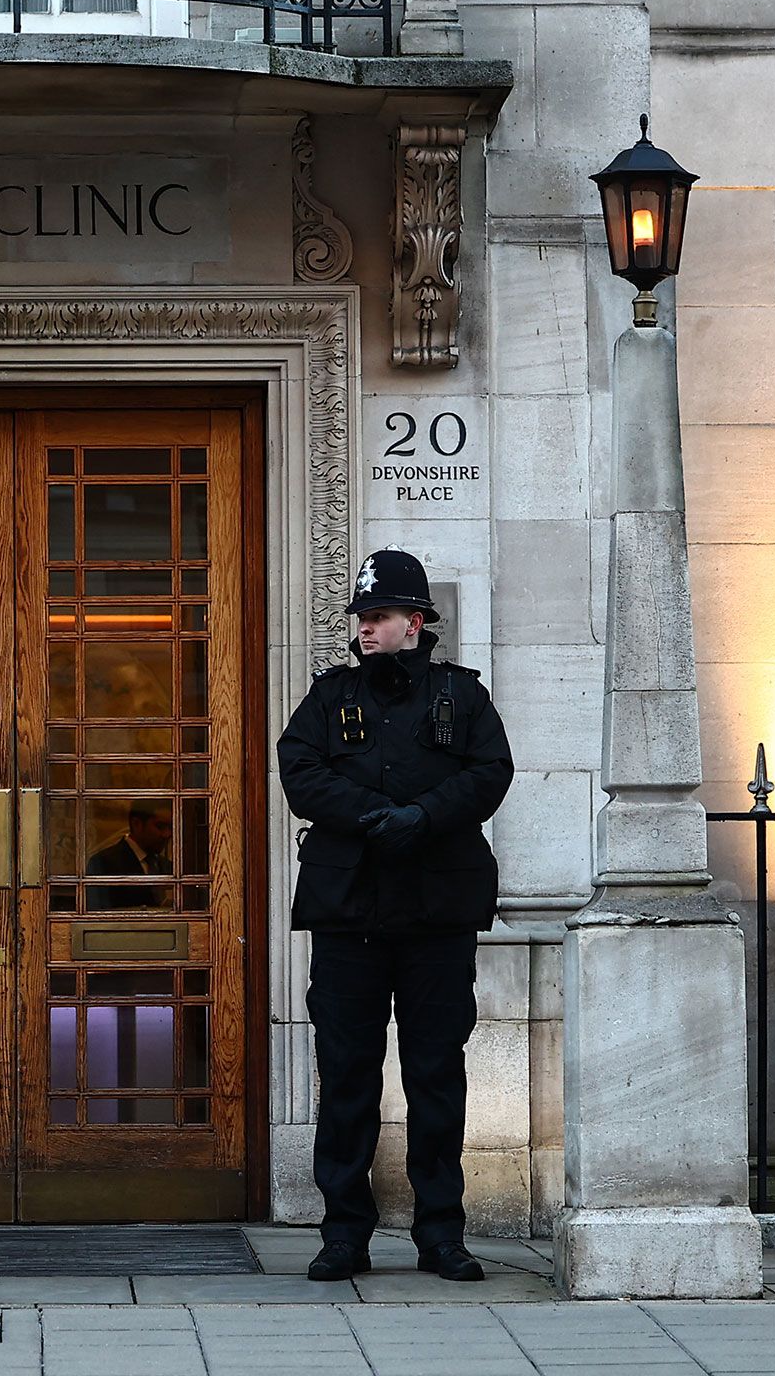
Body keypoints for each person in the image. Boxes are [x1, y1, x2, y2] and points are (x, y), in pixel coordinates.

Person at [277, 549, 514, 1283]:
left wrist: (422, 817)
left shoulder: (462, 697)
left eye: (378, 617)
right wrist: (376, 814)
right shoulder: (330, 696)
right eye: (363, 618)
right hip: (350, 917)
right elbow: (299, 768)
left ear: (415, 623)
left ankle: (441, 1233)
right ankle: (344, 1232)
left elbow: (490, 772)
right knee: (346, 1075)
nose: (366, 630)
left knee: (437, 1076)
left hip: (436, 916)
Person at [83, 799, 173, 909]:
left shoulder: (167, 866)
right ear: (136, 824)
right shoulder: (103, 863)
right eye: (160, 826)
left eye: (171, 827)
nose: (167, 834)